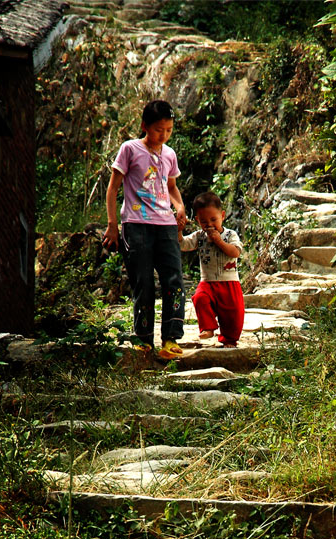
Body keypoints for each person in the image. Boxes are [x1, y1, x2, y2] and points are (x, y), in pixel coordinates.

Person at [102, 100, 186, 359]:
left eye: (169, 130)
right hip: (135, 226)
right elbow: (113, 188)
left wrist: (180, 206)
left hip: (165, 226)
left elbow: (170, 186)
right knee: (143, 283)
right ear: (145, 126)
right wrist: (112, 225)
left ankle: (171, 339)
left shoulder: (169, 154)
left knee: (175, 280)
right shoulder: (130, 149)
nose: (164, 135)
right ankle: (144, 340)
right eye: (159, 129)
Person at [179, 191, 244, 348]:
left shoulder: (230, 234)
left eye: (213, 219)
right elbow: (183, 245)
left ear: (222, 215)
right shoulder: (199, 236)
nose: (209, 224)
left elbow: (235, 252)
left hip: (229, 282)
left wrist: (218, 241)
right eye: (203, 221)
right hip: (207, 282)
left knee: (233, 315)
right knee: (199, 298)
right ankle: (208, 327)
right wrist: (179, 230)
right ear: (197, 220)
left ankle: (229, 339)